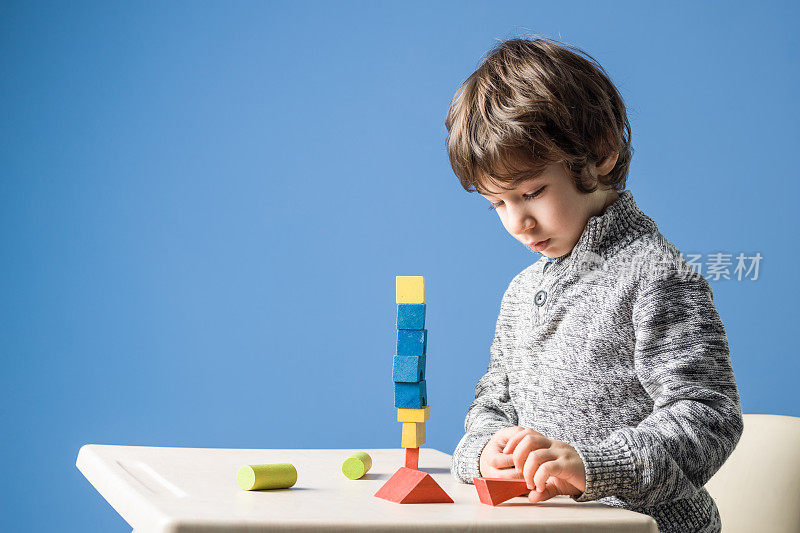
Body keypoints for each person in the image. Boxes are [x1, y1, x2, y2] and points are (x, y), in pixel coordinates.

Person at [444, 36, 743, 533]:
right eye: (498, 204)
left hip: (646, 525)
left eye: (531, 192)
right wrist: (482, 451)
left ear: (601, 152)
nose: (518, 222)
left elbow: (707, 417)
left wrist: (593, 465)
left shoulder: (656, 274)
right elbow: (492, 402)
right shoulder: (522, 292)